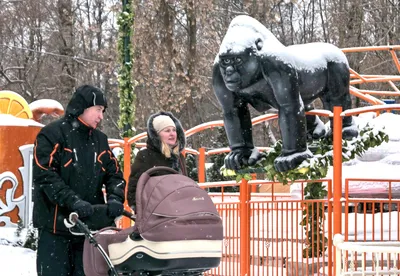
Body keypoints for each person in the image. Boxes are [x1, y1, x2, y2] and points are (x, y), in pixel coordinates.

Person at [32, 84, 126, 276]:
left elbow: (114, 174)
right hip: (55, 228)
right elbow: (45, 174)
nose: (101, 116)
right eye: (98, 110)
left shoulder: (100, 140)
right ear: (83, 107)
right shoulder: (52, 134)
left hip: (90, 229)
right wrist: (72, 201)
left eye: (103, 111)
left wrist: (116, 198)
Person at [127, 111, 187, 208]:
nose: (172, 134)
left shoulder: (179, 158)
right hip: (157, 214)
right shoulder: (145, 156)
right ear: (157, 135)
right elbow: (134, 190)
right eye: (167, 131)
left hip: (180, 212)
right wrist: (142, 210)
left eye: (174, 130)